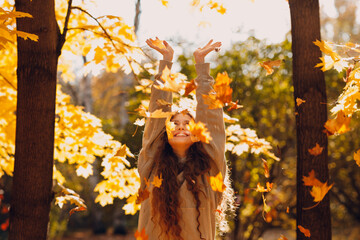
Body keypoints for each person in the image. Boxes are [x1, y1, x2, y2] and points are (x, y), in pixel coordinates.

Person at [137, 38, 235, 240]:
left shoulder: (211, 170)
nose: (181, 126)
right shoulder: (151, 166)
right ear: (165, 131)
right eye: (175, 122)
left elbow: (212, 120)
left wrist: (202, 67)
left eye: (187, 122)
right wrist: (166, 61)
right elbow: (157, 113)